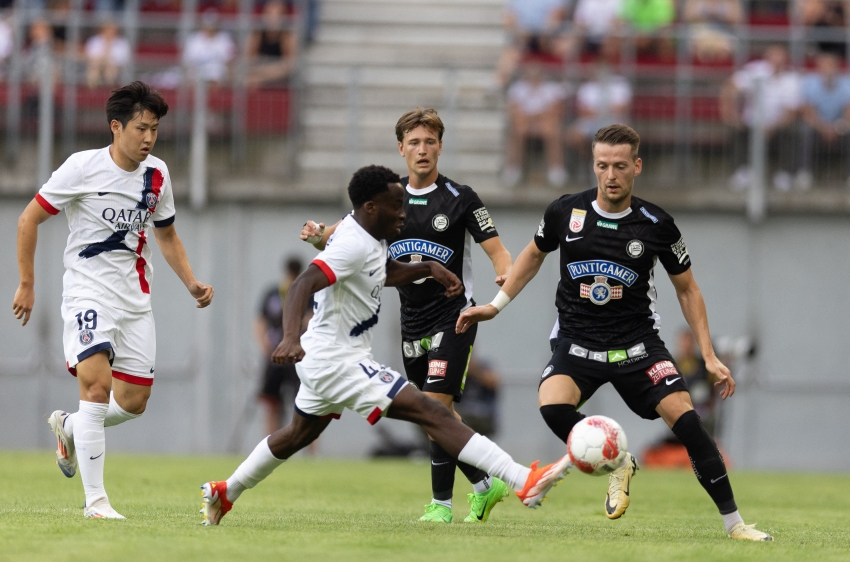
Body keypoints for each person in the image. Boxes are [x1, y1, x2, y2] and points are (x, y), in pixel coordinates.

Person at [199, 165, 569, 526]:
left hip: (330, 359)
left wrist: (427, 268)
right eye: (396, 206)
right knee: (433, 412)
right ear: (371, 207)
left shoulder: (371, 239)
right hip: (338, 360)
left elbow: (385, 271)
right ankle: (523, 481)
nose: (404, 214)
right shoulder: (351, 245)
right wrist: (290, 336)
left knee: (298, 434)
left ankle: (225, 491)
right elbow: (302, 285)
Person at [457, 124, 773, 542]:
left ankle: (735, 525)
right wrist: (495, 307)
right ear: (593, 164)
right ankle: (620, 460)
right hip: (576, 340)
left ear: (636, 167)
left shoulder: (656, 224)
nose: (611, 175)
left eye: (620, 166)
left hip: (638, 346)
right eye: (602, 165)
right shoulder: (564, 212)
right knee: (552, 407)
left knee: (691, 425)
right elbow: (533, 255)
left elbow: (688, 289)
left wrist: (709, 355)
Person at [300, 108, 515, 524]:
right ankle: (487, 484)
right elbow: (342, 234)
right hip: (410, 319)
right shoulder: (387, 196)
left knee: (433, 404)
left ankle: (441, 505)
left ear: (440, 147)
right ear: (400, 148)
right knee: (431, 413)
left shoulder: (460, 198)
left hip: (455, 316)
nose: (422, 150)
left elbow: (496, 247)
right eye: (414, 142)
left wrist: (503, 270)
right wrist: (318, 235)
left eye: (430, 142)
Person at [12, 81, 214, 519]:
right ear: (115, 126)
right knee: (96, 387)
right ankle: (96, 502)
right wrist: (27, 283)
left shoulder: (157, 175)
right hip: (87, 292)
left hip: (135, 300)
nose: (148, 138)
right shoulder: (81, 168)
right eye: (141, 128)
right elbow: (29, 218)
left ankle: (69, 426)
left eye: (155, 129)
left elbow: (167, 235)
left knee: (134, 402)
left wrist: (192, 283)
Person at [719, 44, 803, 191]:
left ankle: (784, 174)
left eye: (781, 57)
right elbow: (730, 87)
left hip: (777, 126)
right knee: (736, 130)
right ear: (767, 58)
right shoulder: (755, 71)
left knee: (792, 132)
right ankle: (743, 171)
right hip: (751, 123)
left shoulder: (792, 79)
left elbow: (791, 111)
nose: (777, 61)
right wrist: (731, 114)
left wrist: (773, 126)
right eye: (774, 56)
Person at [255, 257, 314, 438]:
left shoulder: (307, 294)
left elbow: (312, 320)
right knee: (272, 403)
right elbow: (260, 321)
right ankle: (269, 443)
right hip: (275, 357)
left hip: (298, 358)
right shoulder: (274, 293)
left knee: (306, 405)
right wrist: (264, 345)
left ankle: (311, 452)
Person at [503, 62, 568, 187]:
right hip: (525, 124)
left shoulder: (552, 89)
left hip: (545, 124)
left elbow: (557, 111)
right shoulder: (517, 88)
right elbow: (513, 112)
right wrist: (533, 119)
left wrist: (536, 118)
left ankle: (556, 169)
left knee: (553, 131)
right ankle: (513, 168)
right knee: (517, 130)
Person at [799, 50, 850, 188]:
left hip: (840, 126)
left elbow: (848, 112)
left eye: (831, 66)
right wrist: (823, 128)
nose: (828, 70)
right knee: (804, 131)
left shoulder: (846, 83)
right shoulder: (810, 82)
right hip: (817, 126)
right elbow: (809, 112)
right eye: (824, 66)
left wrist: (837, 128)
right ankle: (804, 172)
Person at [246, 0, 298, 87]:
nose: (273, 17)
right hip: (259, 72)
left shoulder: (288, 35)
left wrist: (261, 77)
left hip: (278, 79)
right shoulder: (257, 33)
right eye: (269, 13)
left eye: (278, 14)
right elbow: (247, 61)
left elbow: (290, 66)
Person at [182, 9, 235, 85]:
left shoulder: (225, 38)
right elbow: (187, 62)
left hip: (218, 74)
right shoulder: (193, 39)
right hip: (197, 74)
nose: (210, 27)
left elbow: (229, 61)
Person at [85, 20, 132, 88]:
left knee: (110, 70)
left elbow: (124, 58)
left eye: (113, 30)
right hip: (97, 64)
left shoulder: (122, 42)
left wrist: (109, 59)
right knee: (94, 69)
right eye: (108, 29)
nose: (110, 32)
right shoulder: (94, 40)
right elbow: (90, 56)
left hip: (114, 65)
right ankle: (92, 91)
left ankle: (108, 90)